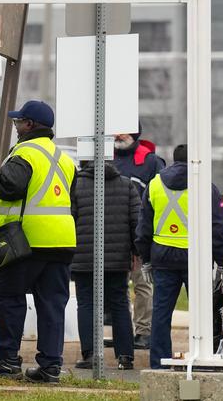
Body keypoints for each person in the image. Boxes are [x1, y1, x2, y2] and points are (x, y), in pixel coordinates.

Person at [0, 100, 75, 383]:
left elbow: (9, 185)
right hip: (62, 240)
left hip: (27, 240)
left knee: (7, 294)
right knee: (52, 302)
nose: (16, 126)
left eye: (19, 121)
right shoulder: (63, 158)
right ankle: (50, 366)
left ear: (29, 125)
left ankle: (6, 359)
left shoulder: (25, 153)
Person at [136, 144, 223, 371]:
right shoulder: (205, 187)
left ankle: (159, 364)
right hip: (195, 258)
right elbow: (218, 228)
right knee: (201, 314)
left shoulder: (155, 185)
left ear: (173, 160)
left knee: (161, 313)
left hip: (163, 257)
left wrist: (145, 259)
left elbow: (143, 227)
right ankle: (202, 358)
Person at [70, 157, 139, 370]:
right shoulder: (126, 185)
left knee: (86, 303)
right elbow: (136, 221)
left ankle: (90, 354)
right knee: (120, 303)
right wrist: (135, 252)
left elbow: (70, 217)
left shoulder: (76, 185)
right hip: (118, 258)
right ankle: (125, 356)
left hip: (83, 255)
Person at [113, 128, 165, 350]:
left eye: (124, 131)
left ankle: (143, 331)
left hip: (142, 235)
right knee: (117, 286)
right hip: (114, 234)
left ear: (135, 134)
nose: (118, 135)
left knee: (142, 284)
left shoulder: (151, 161)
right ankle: (121, 332)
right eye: (116, 131)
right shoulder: (106, 158)